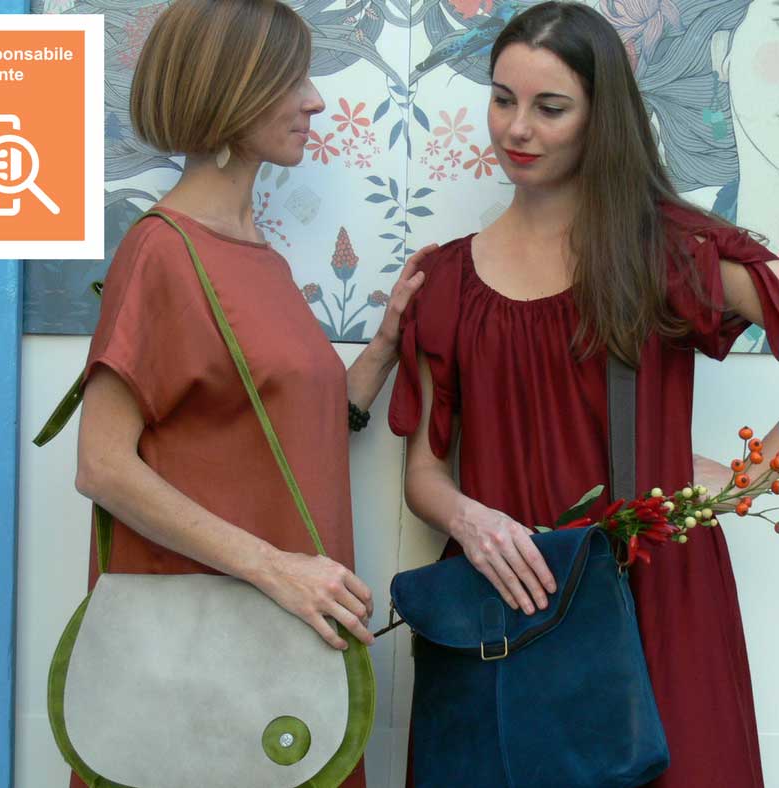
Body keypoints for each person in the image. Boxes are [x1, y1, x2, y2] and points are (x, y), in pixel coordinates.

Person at [388, 2, 779, 786]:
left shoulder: (667, 251)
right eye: (503, 99)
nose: (517, 129)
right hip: (510, 608)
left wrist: (748, 477)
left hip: (657, 599)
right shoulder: (447, 281)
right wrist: (469, 521)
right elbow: (425, 473)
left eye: (550, 107)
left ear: (601, 118)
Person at [72, 1, 432, 786]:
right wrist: (277, 569)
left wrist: (385, 343)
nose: (315, 101)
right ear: (231, 91)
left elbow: (290, 429)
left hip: (285, 638)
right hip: (215, 652)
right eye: (292, 81)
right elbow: (102, 466)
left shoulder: (257, 254)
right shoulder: (162, 251)